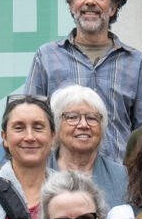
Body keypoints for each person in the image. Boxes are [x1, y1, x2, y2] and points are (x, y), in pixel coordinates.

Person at [25, 0, 142, 162]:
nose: (90, 1)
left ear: (112, 8)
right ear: (71, 5)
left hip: (120, 179)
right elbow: (30, 120)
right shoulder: (47, 56)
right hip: (59, 179)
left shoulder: (135, 62)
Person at [50, 83, 128, 211]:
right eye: (72, 117)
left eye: (92, 118)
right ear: (56, 126)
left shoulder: (124, 178)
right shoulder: (40, 172)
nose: (83, 125)